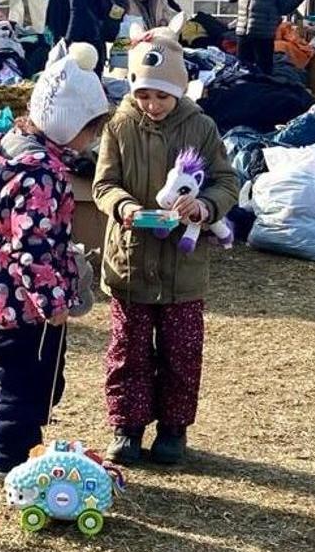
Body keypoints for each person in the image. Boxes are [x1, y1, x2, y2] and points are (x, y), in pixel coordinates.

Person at [93, 30, 239, 466]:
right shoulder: (119, 126)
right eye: (144, 95)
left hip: (183, 267)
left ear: (178, 90)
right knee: (128, 349)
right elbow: (103, 184)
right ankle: (127, 426)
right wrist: (126, 209)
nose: (152, 105)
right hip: (130, 261)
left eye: (161, 96)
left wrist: (205, 207)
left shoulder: (201, 127)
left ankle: (174, 429)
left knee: (181, 351)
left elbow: (226, 181)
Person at [0, 43, 112, 481]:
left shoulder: (8, 147)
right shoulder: (40, 175)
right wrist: (54, 302)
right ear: (68, 124)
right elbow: (31, 247)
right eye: (90, 131)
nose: (92, 141)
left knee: (33, 382)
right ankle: (12, 467)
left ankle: (24, 451)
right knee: (22, 389)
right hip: (20, 306)